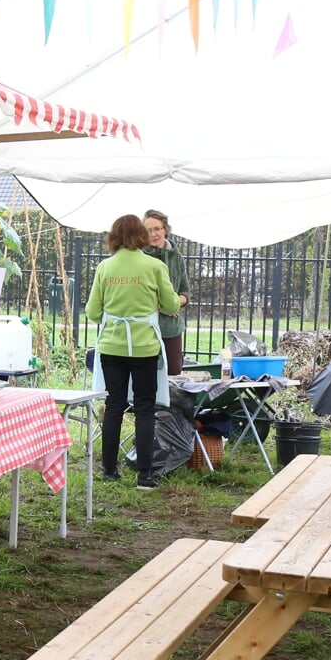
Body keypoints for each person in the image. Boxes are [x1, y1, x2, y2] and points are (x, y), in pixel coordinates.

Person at [86, 214, 180, 489]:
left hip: (112, 345)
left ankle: (109, 470)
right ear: (141, 235)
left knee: (114, 405)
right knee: (144, 408)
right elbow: (171, 303)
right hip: (144, 346)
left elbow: (93, 311)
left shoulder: (106, 267)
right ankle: (145, 476)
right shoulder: (154, 266)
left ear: (113, 236)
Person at [140, 210, 190, 375]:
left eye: (157, 229)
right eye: (148, 230)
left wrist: (174, 303)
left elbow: (185, 292)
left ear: (165, 230)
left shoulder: (177, 257)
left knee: (173, 372)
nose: (153, 234)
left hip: (171, 326)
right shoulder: (138, 257)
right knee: (146, 374)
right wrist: (162, 305)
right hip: (144, 326)